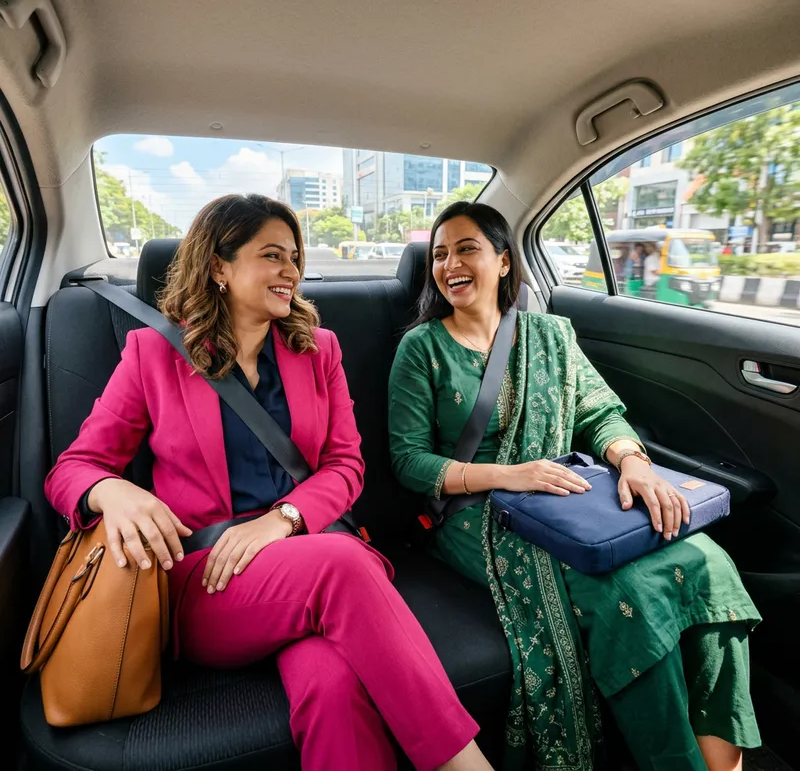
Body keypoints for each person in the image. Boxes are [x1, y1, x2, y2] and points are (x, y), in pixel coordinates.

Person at [45, 194, 493, 771]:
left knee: (334, 687)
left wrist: (282, 520)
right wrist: (114, 491)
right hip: (209, 577)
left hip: (309, 560)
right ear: (219, 266)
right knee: (343, 564)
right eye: (273, 256)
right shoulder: (153, 353)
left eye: (295, 257)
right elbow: (73, 469)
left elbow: (346, 465)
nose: (292, 271)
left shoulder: (319, 350)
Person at [388, 201, 761, 771]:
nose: (449, 265)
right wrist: (510, 475)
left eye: (467, 249)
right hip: (478, 512)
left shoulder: (551, 335)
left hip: (568, 494)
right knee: (630, 596)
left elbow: (599, 413)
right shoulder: (422, 348)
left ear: (504, 261)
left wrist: (632, 461)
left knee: (708, 561)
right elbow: (409, 461)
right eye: (439, 255)